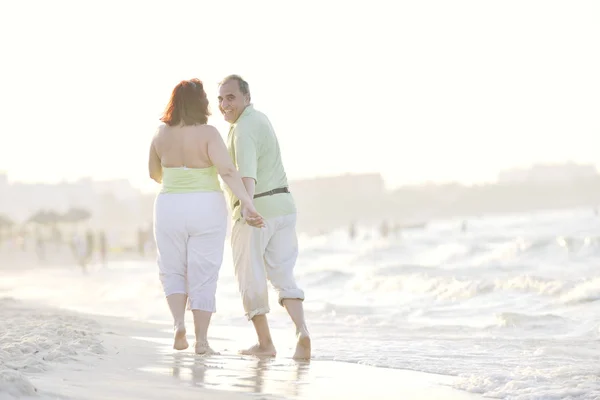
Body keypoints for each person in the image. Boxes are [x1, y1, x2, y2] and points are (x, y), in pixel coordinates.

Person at [148, 78, 264, 355]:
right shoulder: (210, 134)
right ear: (202, 103)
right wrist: (247, 203)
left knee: (173, 268)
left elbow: (154, 174)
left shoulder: (160, 134)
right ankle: (201, 341)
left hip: (169, 206)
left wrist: (178, 174)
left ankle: (179, 326)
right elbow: (227, 172)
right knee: (204, 272)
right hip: (206, 207)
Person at [218, 74, 311, 359]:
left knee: (251, 277)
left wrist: (247, 206)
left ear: (246, 97)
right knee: (283, 274)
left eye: (230, 97)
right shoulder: (262, 119)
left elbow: (247, 173)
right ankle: (302, 332)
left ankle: (265, 344)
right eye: (220, 99)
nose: (224, 104)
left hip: (257, 208)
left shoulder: (242, 128)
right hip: (284, 205)